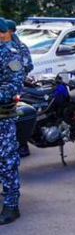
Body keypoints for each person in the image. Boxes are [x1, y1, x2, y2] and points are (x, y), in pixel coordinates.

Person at [0, 18, 27, 224]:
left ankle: (11, 205)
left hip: (2, 118)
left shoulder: (11, 54)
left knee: (6, 161)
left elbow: (15, 85)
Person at [4, 19, 33, 157]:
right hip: (12, 86)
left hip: (15, 87)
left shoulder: (18, 47)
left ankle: (22, 144)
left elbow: (28, 65)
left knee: (16, 117)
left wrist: (21, 73)